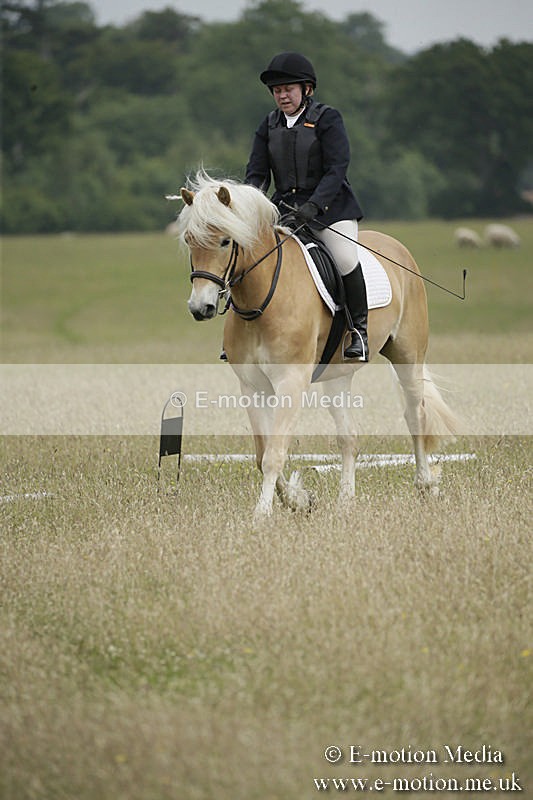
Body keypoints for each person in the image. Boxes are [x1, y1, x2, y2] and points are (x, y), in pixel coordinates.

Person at [245, 51, 368, 361]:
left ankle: (358, 331)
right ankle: (243, 334)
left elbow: (337, 168)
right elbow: (257, 174)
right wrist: (249, 206)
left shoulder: (327, 118)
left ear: (306, 89)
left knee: (344, 258)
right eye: (277, 90)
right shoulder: (268, 125)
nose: (282, 96)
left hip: (331, 210)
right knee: (248, 258)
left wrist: (315, 205)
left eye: (288, 89)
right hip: (284, 211)